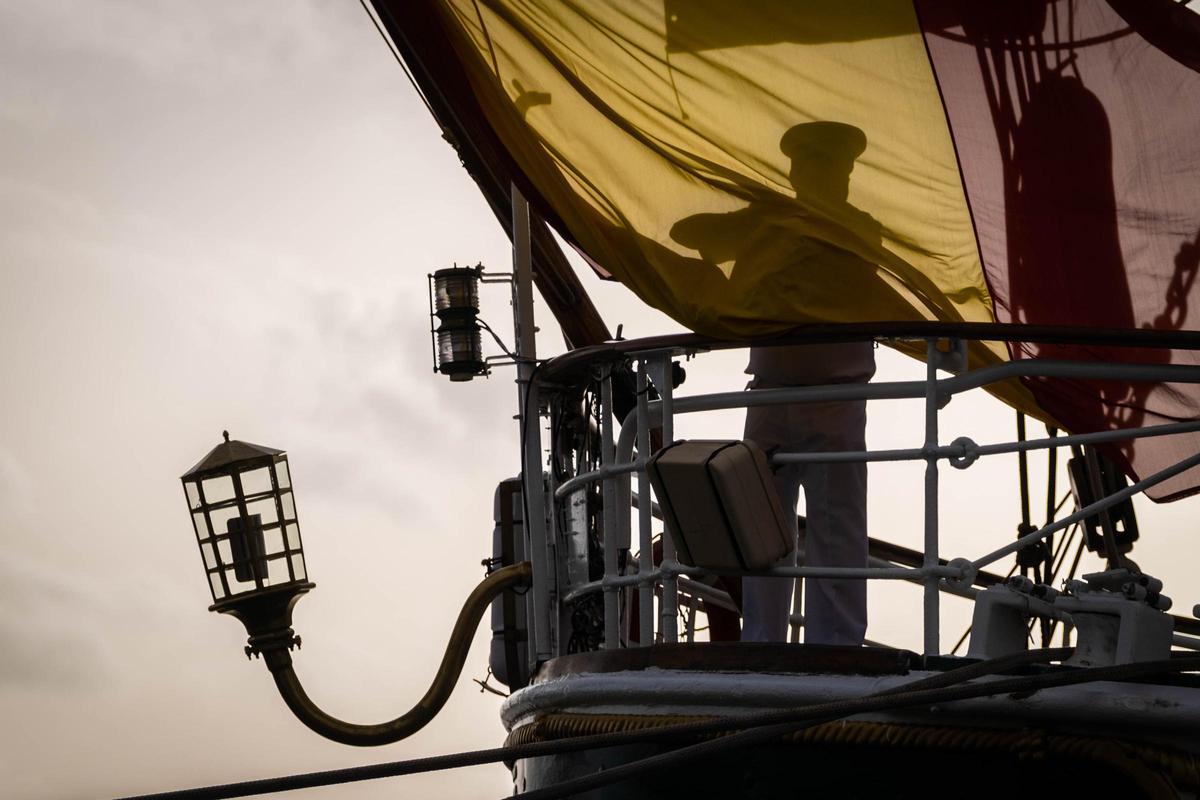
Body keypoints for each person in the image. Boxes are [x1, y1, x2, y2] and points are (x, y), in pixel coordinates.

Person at [670, 121, 877, 645]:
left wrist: (759, 228)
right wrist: (757, 219)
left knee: (829, 528)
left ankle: (830, 644)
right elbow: (687, 232)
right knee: (763, 526)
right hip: (781, 396)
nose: (825, 175)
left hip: (832, 399)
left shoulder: (856, 231)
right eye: (816, 164)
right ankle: (776, 641)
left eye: (829, 165)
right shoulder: (776, 223)